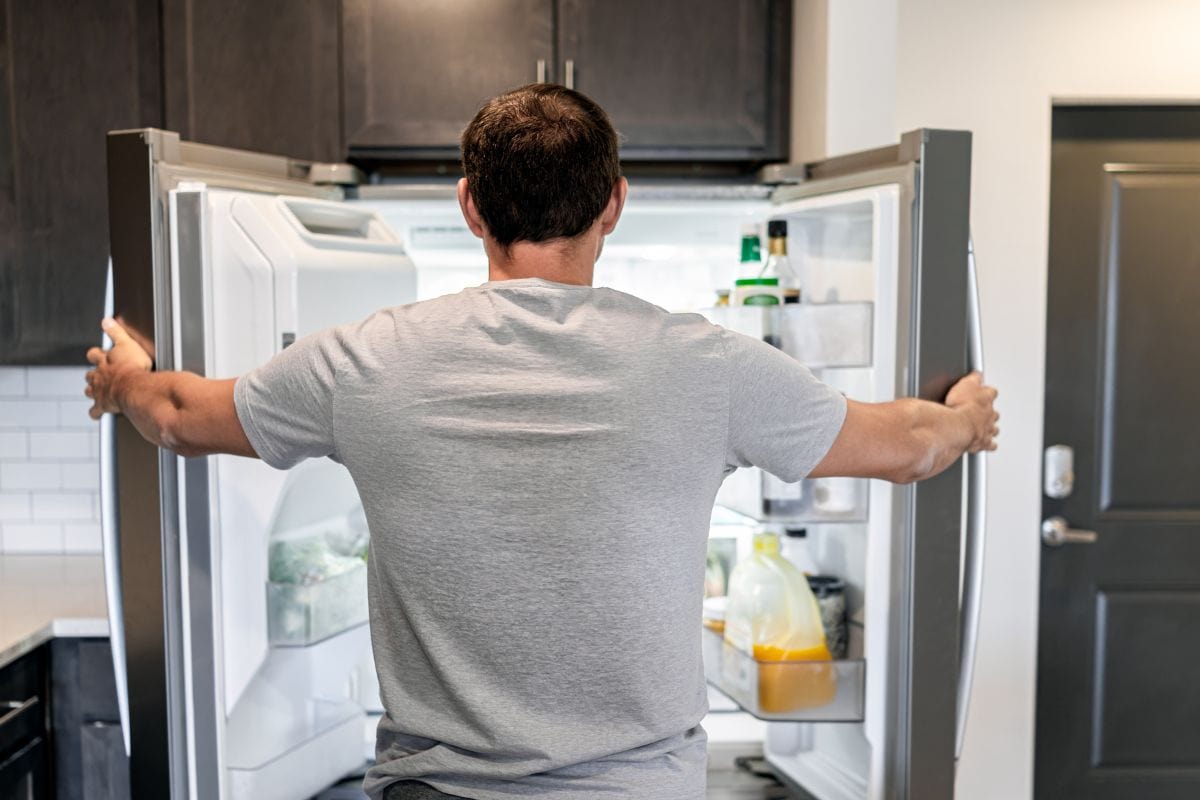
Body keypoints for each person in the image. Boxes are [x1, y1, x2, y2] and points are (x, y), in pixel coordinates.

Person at [85, 84, 998, 800]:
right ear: (614, 204)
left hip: (436, 793)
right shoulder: (709, 365)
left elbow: (175, 415)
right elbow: (905, 445)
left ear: (471, 206)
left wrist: (120, 375)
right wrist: (966, 415)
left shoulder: (366, 361)